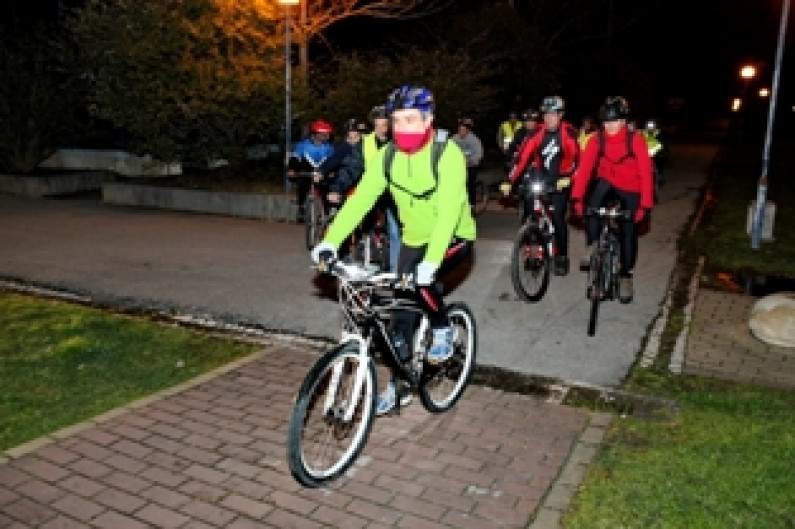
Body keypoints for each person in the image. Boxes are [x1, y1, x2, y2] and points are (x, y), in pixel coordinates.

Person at [311, 84, 476, 415]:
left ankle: (443, 327)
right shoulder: (388, 157)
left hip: (453, 238)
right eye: (397, 120)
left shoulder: (448, 153)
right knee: (401, 319)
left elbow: (447, 213)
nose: (403, 128)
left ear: (428, 120)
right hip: (414, 239)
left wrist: (430, 262)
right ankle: (400, 387)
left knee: (422, 283)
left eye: (411, 120)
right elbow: (361, 201)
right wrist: (329, 240)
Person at [570, 96, 654, 304]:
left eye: (614, 121)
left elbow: (645, 172)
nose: (610, 126)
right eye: (606, 122)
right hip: (607, 180)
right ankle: (594, 246)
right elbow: (585, 170)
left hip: (631, 186)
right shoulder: (597, 139)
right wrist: (577, 198)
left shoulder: (635, 140)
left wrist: (645, 205)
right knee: (593, 208)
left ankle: (626, 275)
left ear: (624, 121)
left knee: (628, 231)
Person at [500, 95, 579, 276]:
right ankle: (532, 252)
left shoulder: (569, 133)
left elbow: (578, 162)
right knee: (531, 212)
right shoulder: (537, 133)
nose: (549, 119)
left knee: (558, 216)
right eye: (546, 115)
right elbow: (521, 158)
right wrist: (508, 180)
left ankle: (562, 256)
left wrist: (569, 178)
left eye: (553, 115)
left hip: (561, 178)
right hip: (540, 176)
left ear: (561, 115)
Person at [362, 105, 400, 272]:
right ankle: (368, 260)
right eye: (378, 125)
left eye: (385, 125)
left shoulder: (398, 142)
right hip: (372, 191)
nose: (382, 129)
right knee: (365, 224)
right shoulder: (365, 142)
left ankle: (395, 271)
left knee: (395, 232)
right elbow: (351, 165)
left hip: (392, 193)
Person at [287, 120, 335, 222]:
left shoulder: (329, 147)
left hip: (322, 172)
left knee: (326, 188)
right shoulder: (303, 145)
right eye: (323, 134)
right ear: (315, 134)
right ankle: (301, 207)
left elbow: (333, 161)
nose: (326, 136)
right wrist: (292, 170)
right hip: (306, 171)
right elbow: (295, 158)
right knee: (303, 185)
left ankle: (327, 211)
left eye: (327, 134)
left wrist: (333, 171)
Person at [451, 116, 484, 209]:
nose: (461, 132)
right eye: (459, 130)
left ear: (467, 130)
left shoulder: (474, 140)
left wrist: (471, 159)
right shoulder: (454, 139)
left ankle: (472, 204)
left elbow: (479, 154)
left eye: (463, 130)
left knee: (470, 183)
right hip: (458, 165)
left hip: (471, 165)